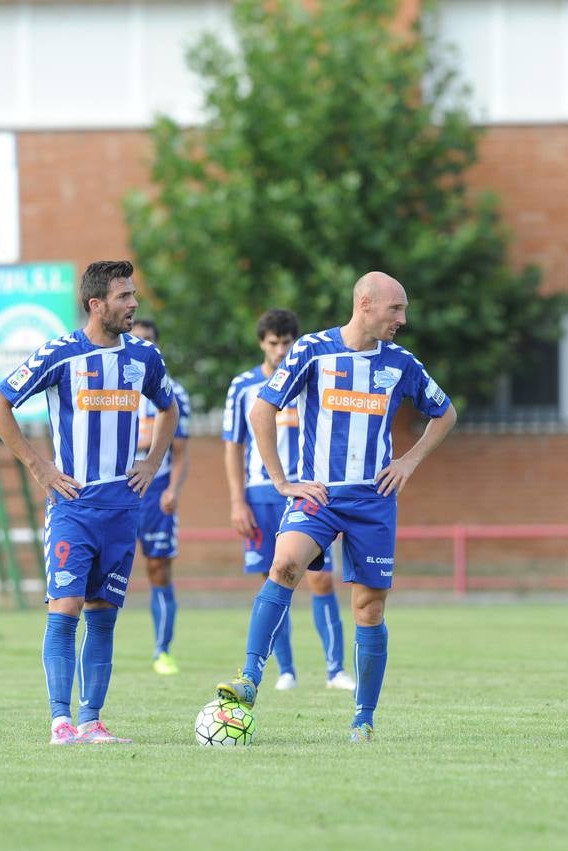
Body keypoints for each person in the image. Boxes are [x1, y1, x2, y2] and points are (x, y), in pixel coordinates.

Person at [213, 272, 457, 742]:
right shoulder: (311, 350)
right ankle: (249, 678)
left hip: (373, 500)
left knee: (368, 608)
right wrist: (283, 481)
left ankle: (363, 719)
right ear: (365, 304)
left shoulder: (400, 363)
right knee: (284, 564)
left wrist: (408, 460)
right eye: (396, 310)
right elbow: (262, 409)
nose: (403, 320)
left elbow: (445, 412)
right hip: (319, 496)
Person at [0, 260, 178, 745]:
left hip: (123, 506)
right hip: (73, 505)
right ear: (96, 305)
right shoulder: (61, 354)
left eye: (134, 295)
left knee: (104, 615)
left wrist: (152, 463)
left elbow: (169, 408)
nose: (133, 304)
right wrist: (39, 467)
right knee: (64, 608)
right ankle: (60, 721)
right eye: (124, 296)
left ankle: (92, 721)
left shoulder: (144, 357)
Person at [223, 308, 355, 692]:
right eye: (273, 343)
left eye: (287, 343)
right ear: (262, 343)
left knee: (322, 580)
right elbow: (232, 447)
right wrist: (237, 501)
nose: (281, 350)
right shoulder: (243, 387)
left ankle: (335, 671)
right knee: (273, 579)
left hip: (308, 493)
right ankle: (286, 671)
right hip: (262, 494)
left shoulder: (312, 380)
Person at [128, 320, 192, 675]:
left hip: (156, 489)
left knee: (158, 569)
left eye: (148, 340)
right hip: (116, 488)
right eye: (135, 340)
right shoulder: (110, 385)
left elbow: (181, 451)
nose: (141, 345)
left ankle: (162, 650)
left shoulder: (172, 393)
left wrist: (172, 489)